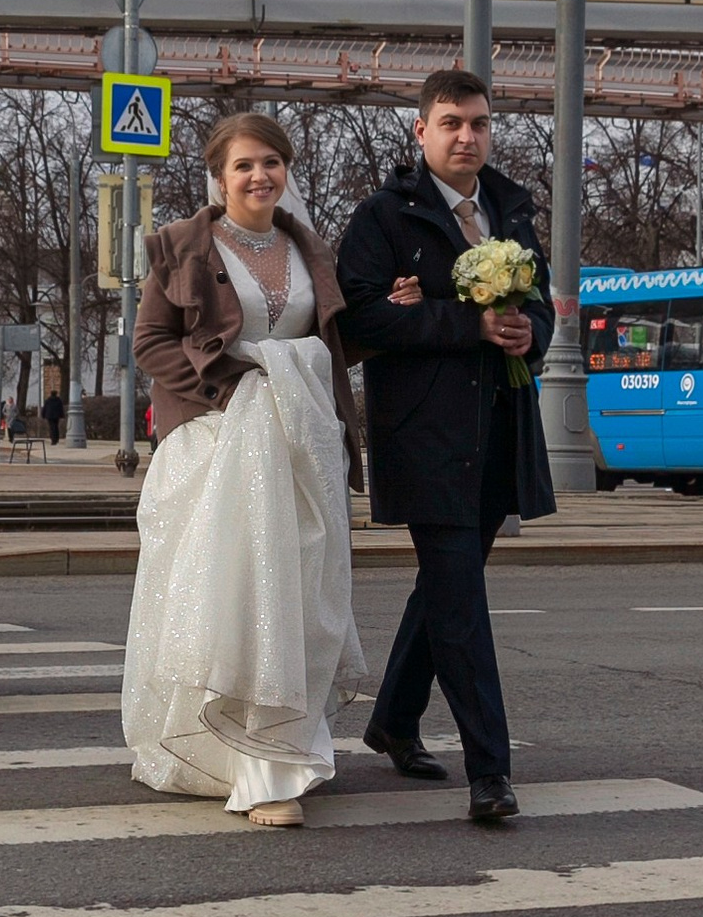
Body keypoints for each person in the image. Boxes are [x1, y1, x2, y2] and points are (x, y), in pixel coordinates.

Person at [121, 113, 363, 824]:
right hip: (216, 449)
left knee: (295, 599)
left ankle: (287, 745)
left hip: (300, 452)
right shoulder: (180, 249)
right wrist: (232, 385)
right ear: (219, 177)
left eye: (272, 163)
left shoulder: (307, 247)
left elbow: (335, 342)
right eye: (244, 166)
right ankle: (255, 771)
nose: (260, 176)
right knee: (236, 601)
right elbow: (149, 343)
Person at [337, 67, 554, 824]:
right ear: (421, 130)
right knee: (461, 599)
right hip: (426, 434)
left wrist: (533, 332)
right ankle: (489, 771)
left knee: (445, 588)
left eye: (480, 123)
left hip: (501, 431)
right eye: (452, 122)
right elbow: (358, 320)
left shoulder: (511, 206)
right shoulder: (384, 216)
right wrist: (463, 323)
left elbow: (541, 305)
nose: (468, 136)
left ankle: (393, 719)